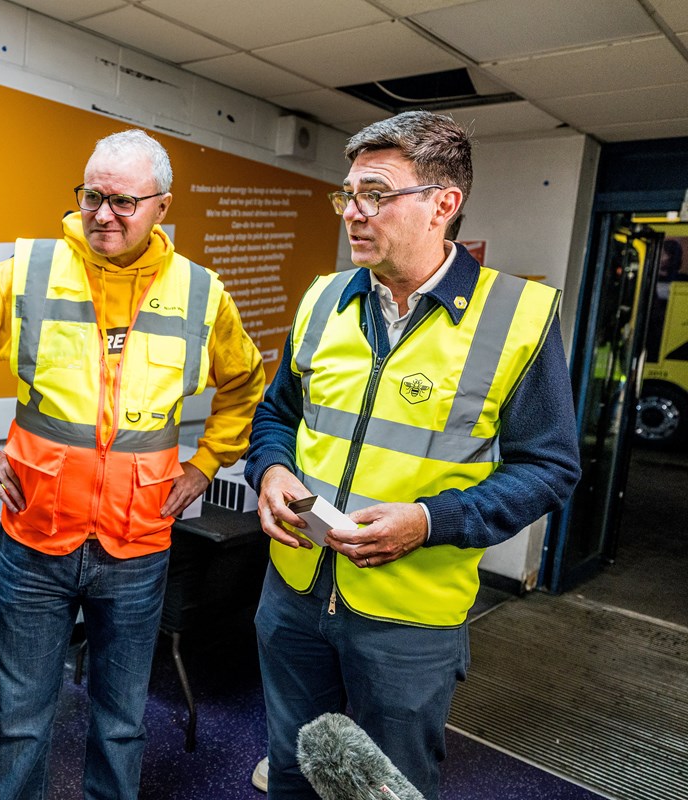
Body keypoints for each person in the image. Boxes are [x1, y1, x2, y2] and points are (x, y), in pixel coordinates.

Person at [0, 129, 266, 800]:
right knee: (20, 719)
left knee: (123, 721)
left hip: (137, 548)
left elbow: (246, 385)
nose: (103, 214)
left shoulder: (200, 293)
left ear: (162, 205)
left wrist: (209, 461)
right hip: (34, 540)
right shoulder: (28, 270)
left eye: (123, 201)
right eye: (92, 195)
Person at [244, 111, 580, 799]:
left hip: (409, 623)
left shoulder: (518, 317)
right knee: (294, 774)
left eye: (375, 193)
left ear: (443, 205)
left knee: (383, 789)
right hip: (295, 597)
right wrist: (270, 469)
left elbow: (550, 469)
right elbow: (277, 414)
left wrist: (430, 521)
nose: (352, 213)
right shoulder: (323, 298)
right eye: (347, 194)